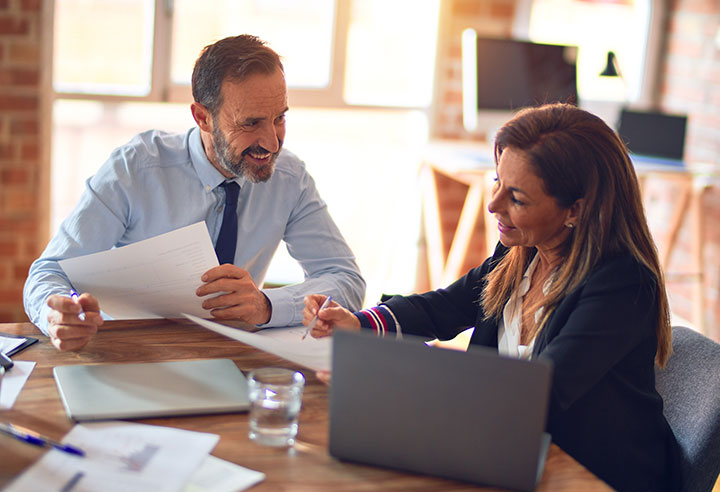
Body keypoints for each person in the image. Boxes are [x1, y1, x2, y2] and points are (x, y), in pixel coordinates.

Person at [302, 103, 681, 492]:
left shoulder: (622, 284)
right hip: (512, 452)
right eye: (497, 181)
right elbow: (446, 306)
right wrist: (361, 322)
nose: (493, 204)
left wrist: (390, 378)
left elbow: (535, 392)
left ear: (575, 210)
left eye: (516, 197)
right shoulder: (523, 254)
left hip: (590, 475)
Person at [24, 34, 365, 351]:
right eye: (251, 123)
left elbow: (346, 279)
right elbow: (50, 272)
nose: (272, 142)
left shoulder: (290, 178)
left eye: (279, 118)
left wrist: (266, 305)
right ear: (203, 117)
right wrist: (59, 311)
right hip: (130, 354)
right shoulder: (135, 169)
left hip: (235, 355)